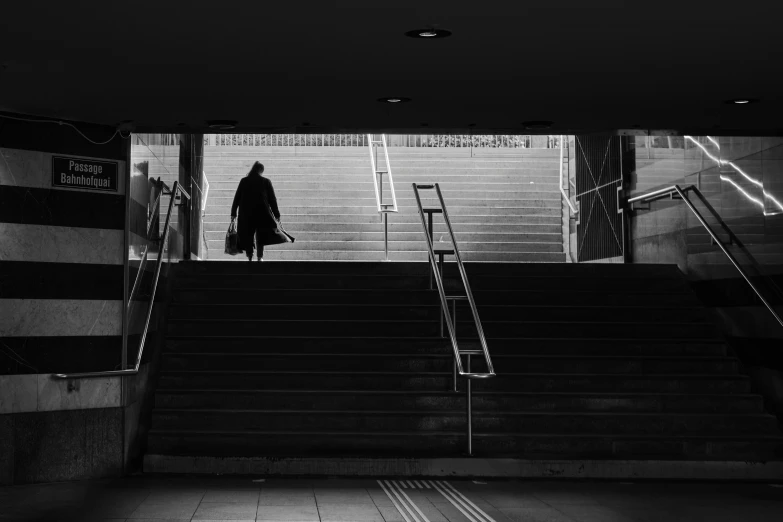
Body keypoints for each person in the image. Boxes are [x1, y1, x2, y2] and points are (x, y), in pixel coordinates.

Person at [230, 161, 282, 261]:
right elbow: (272, 199)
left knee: (248, 234)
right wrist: (277, 214)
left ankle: (250, 255)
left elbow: (237, 198)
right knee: (260, 235)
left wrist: (233, 213)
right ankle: (259, 257)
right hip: (262, 213)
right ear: (261, 171)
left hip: (246, 213)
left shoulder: (244, 181)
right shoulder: (266, 181)